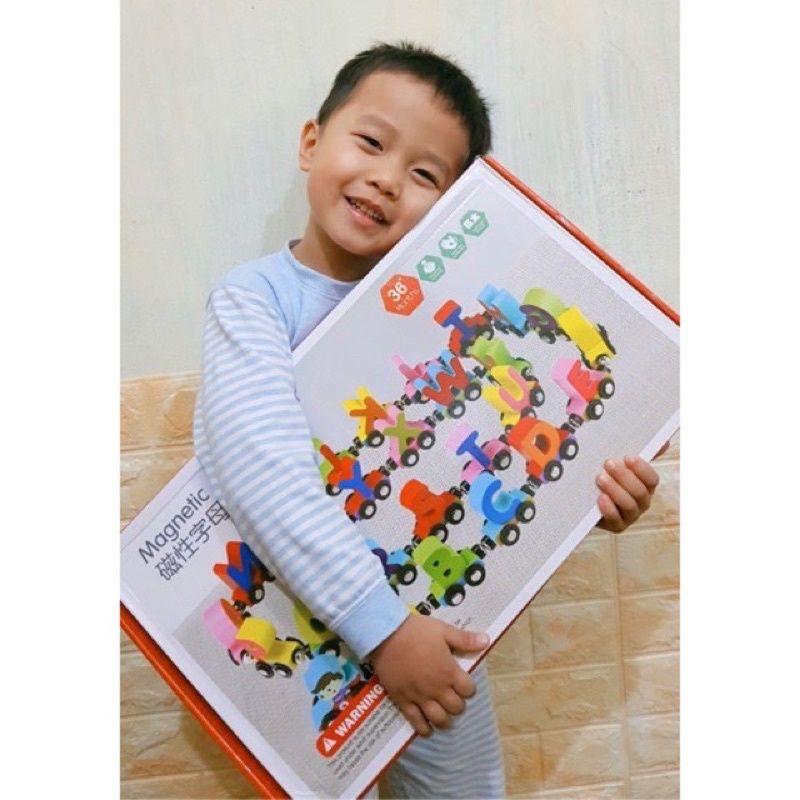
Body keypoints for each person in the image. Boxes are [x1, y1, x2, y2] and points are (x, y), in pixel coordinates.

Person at [194, 41, 663, 799]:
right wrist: (382, 629)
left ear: (454, 209)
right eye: (370, 142)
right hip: (316, 616)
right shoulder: (255, 301)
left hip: (429, 620)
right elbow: (261, 473)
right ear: (311, 143)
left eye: (424, 175)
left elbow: (502, 458)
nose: (386, 178)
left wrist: (590, 498)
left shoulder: (456, 312)